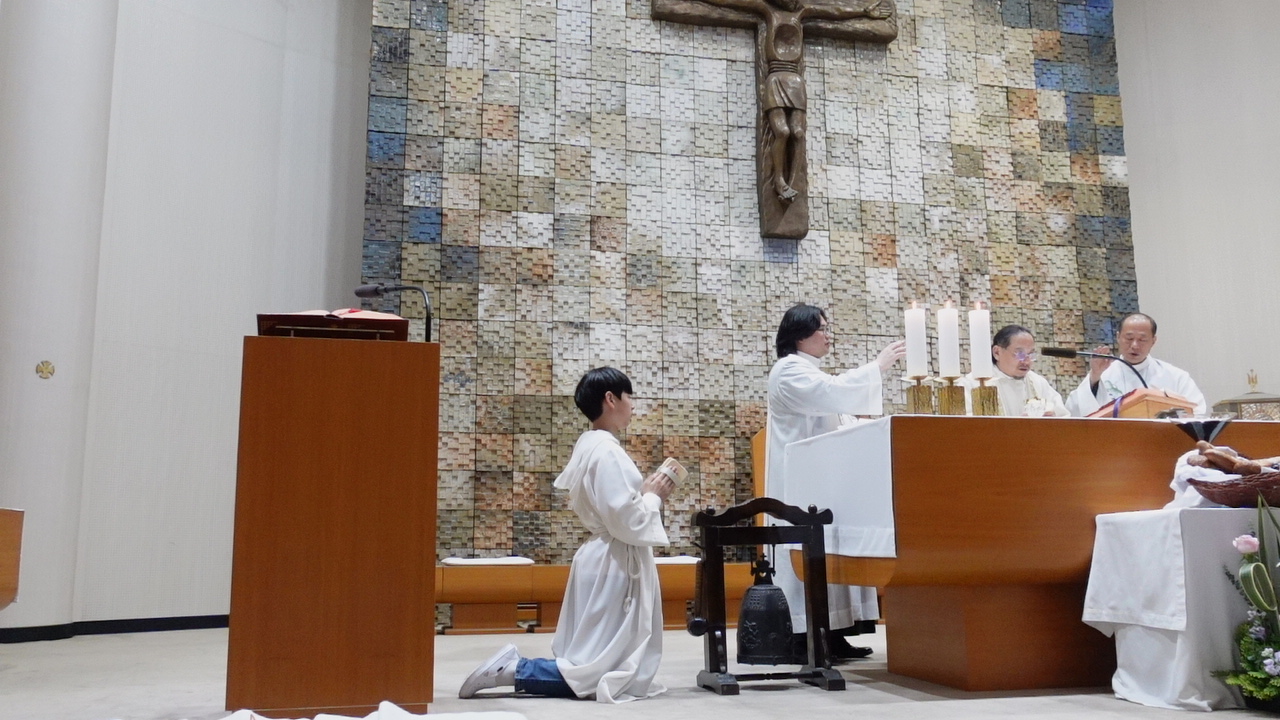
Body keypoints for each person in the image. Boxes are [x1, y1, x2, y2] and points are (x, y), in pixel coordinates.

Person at [458, 367, 677, 702]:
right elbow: (626, 519)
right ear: (610, 399)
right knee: (599, 669)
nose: (633, 405)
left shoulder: (591, 446)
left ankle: (515, 669)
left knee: (603, 658)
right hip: (615, 562)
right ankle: (514, 670)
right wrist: (652, 496)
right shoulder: (607, 452)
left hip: (604, 557)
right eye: (629, 396)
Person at [766, 304, 906, 660]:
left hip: (823, 480)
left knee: (830, 552)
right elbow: (831, 392)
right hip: (799, 484)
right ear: (800, 334)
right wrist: (877, 367)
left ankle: (834, 632)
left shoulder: (809, 371)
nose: (829, 336)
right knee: (806, 554)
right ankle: (802, 637)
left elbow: (835, 413)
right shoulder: (789, 370)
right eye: (823, 329)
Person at [1065, 312, 1207, 416]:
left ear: (1153, 341)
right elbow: (1074, 411)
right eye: (1129, 338)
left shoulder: (1176, 377)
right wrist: (1094, 376)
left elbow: (1197, 412)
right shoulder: (1103, 374)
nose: (1134, 345)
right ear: (1118, 337)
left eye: (1142, 340)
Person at [962, 324, 1068, 417]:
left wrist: (1051, 419)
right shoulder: (973, 384)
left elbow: (1063, 418)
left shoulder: (1038, 383)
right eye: (1020, 354)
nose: (1026, 361)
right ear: (997, 352)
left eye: (1031, 354)